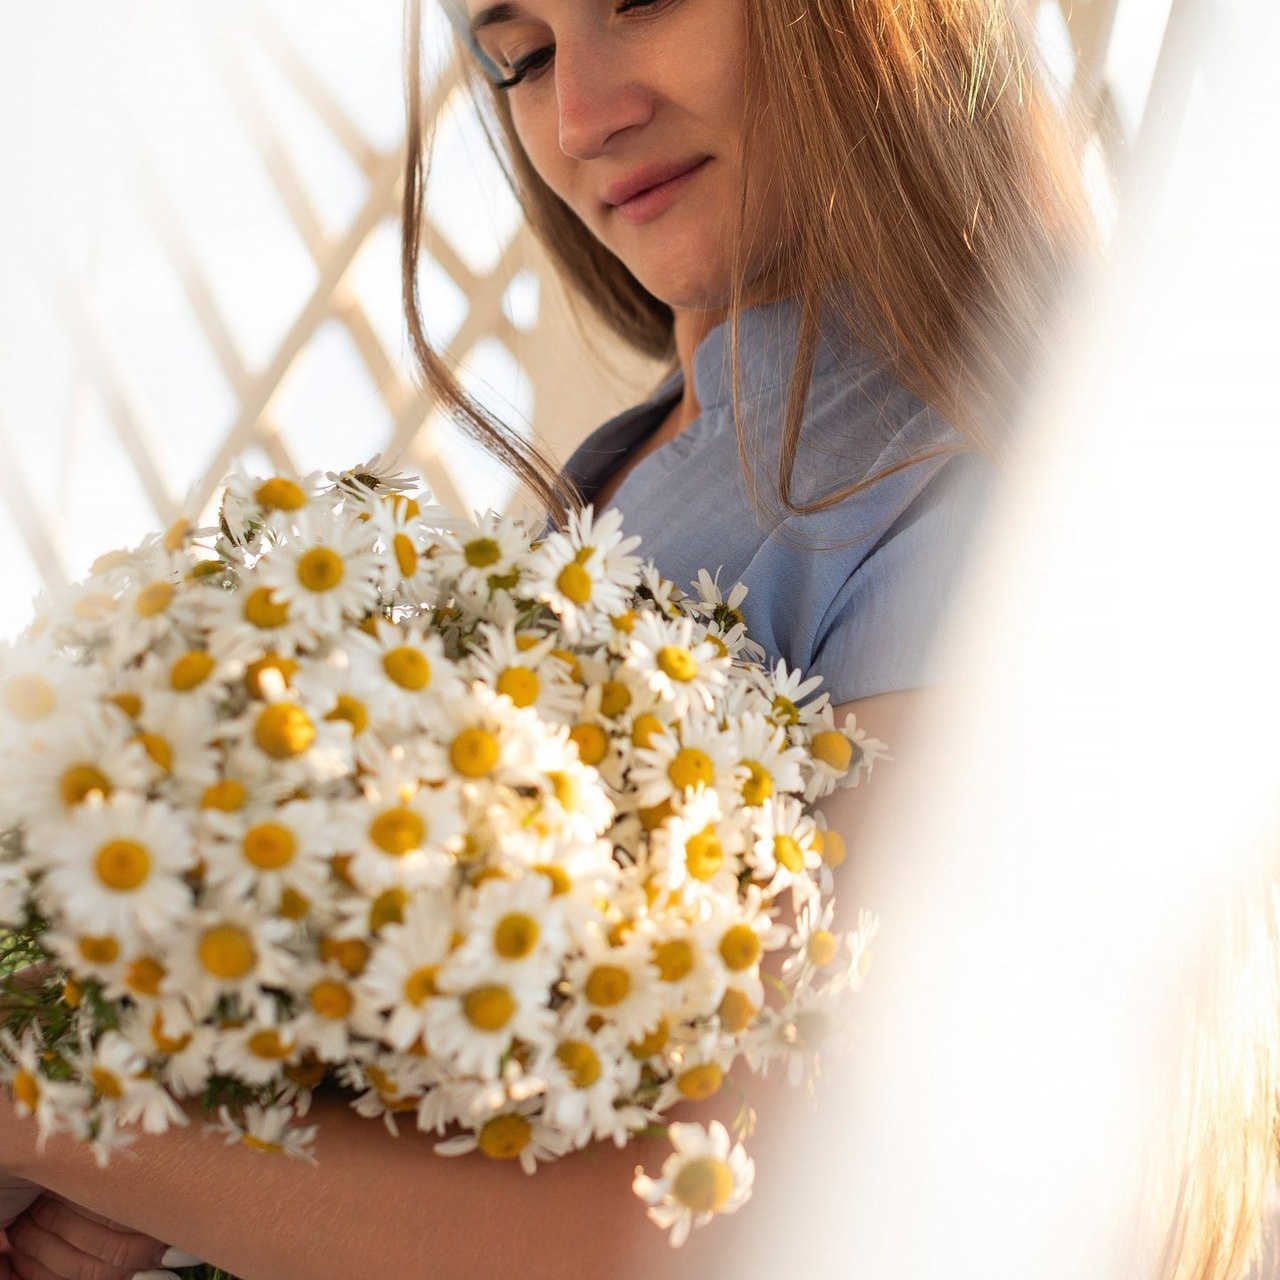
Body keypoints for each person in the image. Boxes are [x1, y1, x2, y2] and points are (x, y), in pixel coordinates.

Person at [0, 0, 1105, 1276]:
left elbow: (709, 1215)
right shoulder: (621, 477)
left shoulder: (971, 496)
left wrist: (67, 1122)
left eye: (639, 0)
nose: (577, 117)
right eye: (515, 58)